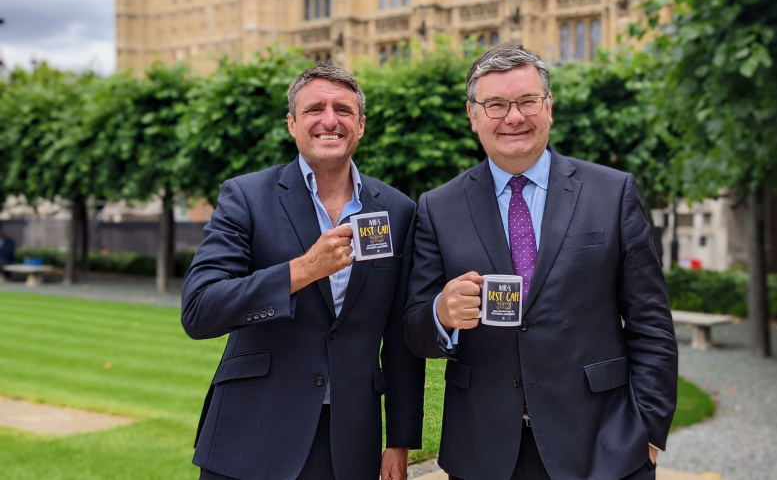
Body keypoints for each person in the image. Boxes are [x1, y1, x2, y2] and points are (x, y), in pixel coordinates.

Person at [404, 44, 678, 480]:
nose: (514, 117)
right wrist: (440, 313)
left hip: (602, 448)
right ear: (473, 116)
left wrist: (648, 431)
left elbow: (652, 324)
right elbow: (414, 331)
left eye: (527, 101)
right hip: (483, 453)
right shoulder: (438, 207)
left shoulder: (612, 193)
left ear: (548, 108)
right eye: (495, 105)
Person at [182, 65, 425, 480]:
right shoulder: (246, 196)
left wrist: (399, 441)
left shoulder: (398, 211)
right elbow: (201, 309)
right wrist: (303, 270)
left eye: (343, 110)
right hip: (251, 434)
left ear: (361, 126)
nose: (330, 120)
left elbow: (401, 340)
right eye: (315, 109)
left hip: (349, 444)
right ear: (292, 124)